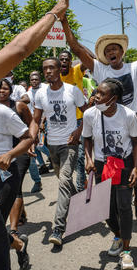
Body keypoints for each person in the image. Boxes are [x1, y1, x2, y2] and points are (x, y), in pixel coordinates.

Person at [0, 0, 74, 268]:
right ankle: (18, 243)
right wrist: (55, 12)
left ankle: (16, 239)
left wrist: (11, 154)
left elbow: (29, 132)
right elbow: (19, 48)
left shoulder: (5, 110)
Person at [61, 14, 137, 221]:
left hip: (132, 125)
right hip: (107, 128)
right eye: (107, 51)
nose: (111, 52)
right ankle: (113, 210)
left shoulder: (134, 68)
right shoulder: (100, 69)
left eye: (114, 49)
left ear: (121, 52)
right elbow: (76, 49)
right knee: (110, 168)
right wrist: (65, 23)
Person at [83, 78, 137, 270]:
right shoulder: (90, 114)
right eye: (96, 92)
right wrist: (89, 159)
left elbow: (136, 141)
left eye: (101, 94)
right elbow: (87, 139)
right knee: (104, 208)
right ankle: (118, 235)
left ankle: (126, 251)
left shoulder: (128, 115)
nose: (96, 96)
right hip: (101, 165)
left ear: (113, 98)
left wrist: (134, 167)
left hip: (123, 164)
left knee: (123, 206)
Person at [32, 57, 87, 246]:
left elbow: (87, 113)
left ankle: (58, 229)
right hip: (51, 145)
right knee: (65, 183)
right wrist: (32, 139)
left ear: (59, 70)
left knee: (64, 181)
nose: (47, 72)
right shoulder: (40, 94)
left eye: (51, 68)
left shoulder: (73, 91)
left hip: (69, 144)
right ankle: (81, 204)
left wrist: (78, 132)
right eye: (44, 68)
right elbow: (36, 119)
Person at [0, 80, 33, 269]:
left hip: (4, 176)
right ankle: (19, 244)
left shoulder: (1, 112)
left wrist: (10, 154)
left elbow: (27, 138)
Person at [58, 50, 88, 191]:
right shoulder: (55, 77)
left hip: (80, 120)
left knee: (80, 155)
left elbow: (89, 60)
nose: (64, 61)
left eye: (67, 59)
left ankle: (81, 187)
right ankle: (81, 178)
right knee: (68, 157)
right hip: (63, 123)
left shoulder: (77, 71)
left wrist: (74, 44)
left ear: (71, 62)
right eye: (61, 59)